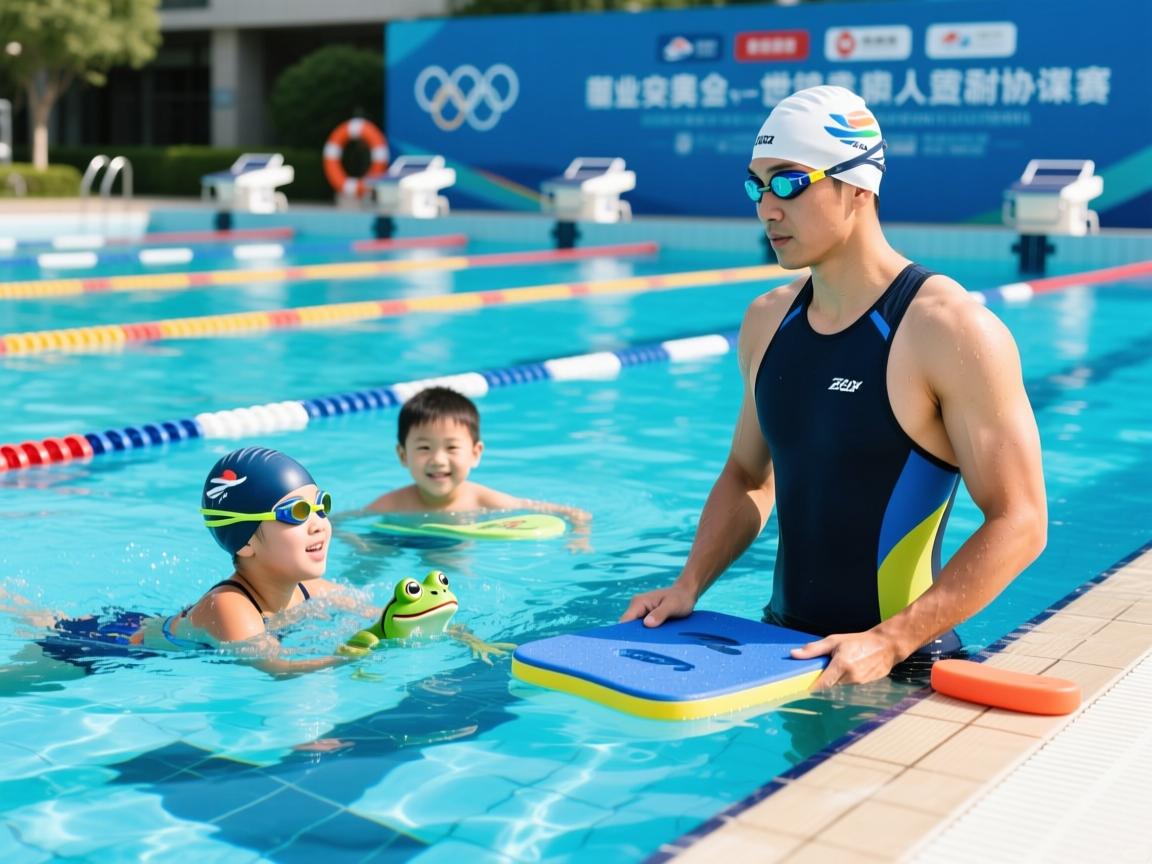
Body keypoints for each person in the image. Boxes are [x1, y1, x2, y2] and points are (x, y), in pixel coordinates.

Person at [620, 85, 1047, 688]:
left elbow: (1021, 519)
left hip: (899, 666)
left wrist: (891, 639)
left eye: (789, 182)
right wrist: (688, 584)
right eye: (756, 185)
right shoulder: (767, 320)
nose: (767, 208)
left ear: (858, 185)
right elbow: (748, 476)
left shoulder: (948, 328)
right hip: (778, 652)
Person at [10, 447, 510, 681]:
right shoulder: (231, 608)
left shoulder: (313, 589)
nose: (318, 523)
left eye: (321, 506)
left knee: (37, 612)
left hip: (138, 627)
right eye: (296, 513)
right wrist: (358, 656)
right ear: (246, 540)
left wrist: (461, 635)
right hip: (98, 650)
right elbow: (277, 667)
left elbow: (379, 613)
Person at [358, 386, 591, 530]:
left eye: (451, 447)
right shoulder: (393, 504)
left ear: (475, 454)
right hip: (401, 538)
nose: (438, 459)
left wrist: (579, 536)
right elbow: (343, 524)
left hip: (456, 544)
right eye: (425, 447)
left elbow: (573, 512)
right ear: (403, 455)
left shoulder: (483, 501)